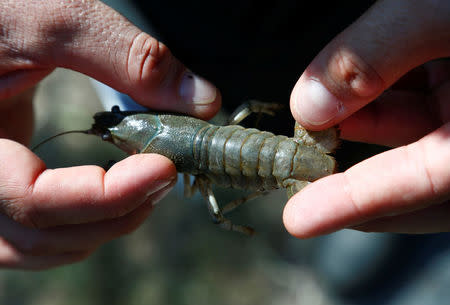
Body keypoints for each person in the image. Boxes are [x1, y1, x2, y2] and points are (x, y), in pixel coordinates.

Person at [0, 0, 448, 270]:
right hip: (292, 109)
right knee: (382, 196)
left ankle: (384, 236)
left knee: (378, 191)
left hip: (365, 82)